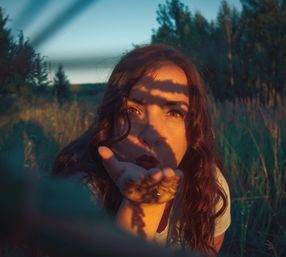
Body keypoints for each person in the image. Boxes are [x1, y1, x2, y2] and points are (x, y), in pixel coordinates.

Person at [52, 44, 231, 257]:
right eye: (132, 110)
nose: (151, 135)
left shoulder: (209, 187)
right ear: (110, 122)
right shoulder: (81, 194)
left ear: (193, 129)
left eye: (174, 112)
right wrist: (143, 205)